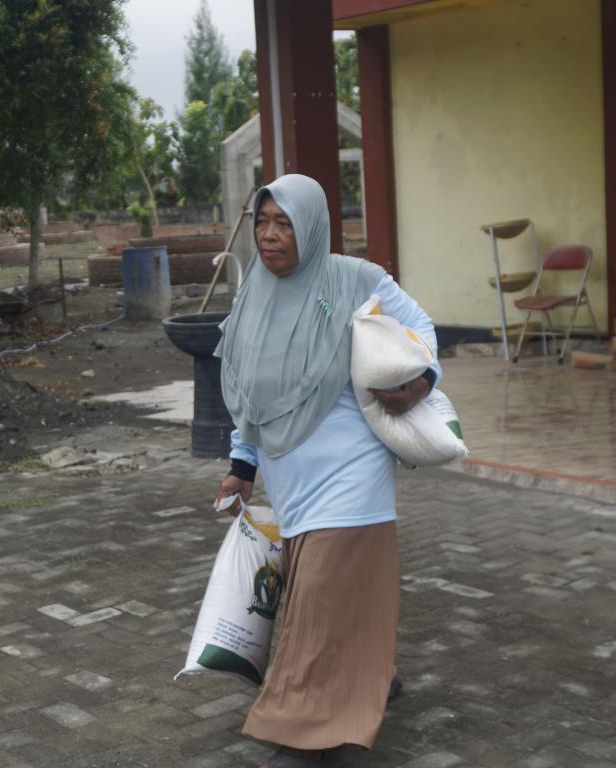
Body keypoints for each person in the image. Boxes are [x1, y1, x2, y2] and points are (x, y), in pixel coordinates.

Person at [213, 173, 442, 767]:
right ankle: (371, 675)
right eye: (263, 222)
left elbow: (422, 329)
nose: (269, 235)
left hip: (352, 470)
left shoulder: (355, 279)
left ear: (311, 227)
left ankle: (306, 736)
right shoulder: (254, 293)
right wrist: (242, 464)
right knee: (327, 589)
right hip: (290, 478)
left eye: (284, 223)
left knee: (318, 597)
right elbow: (250, 392)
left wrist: (420, 382)